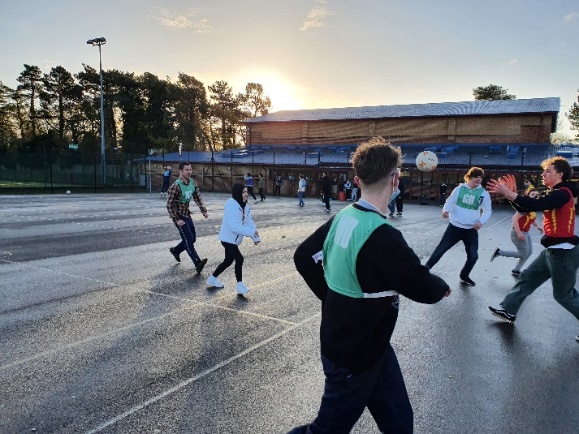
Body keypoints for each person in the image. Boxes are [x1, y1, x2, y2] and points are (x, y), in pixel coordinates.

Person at [288, 136, 451, 434]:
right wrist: (442, 287)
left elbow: (303, 256)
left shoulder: (343, 217)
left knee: (400, 422)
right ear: (395, 179)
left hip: (374, 347)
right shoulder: (383, 236)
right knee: (326, 430)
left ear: (357, 180)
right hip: (352, 355)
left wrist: (330, 298)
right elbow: (420, 285)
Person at [486, 157, 579, 342]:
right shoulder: (555, 192)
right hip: (552, 250)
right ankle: (509, 311)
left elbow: (533, 205)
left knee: (564, 295)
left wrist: (509, 193)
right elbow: (526, 208)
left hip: (564, 252)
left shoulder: (563, 193)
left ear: (560, 174)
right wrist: (510, 194)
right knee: (527, 277)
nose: (543, 174)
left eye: (548, 171)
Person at [425, 166, 492, 286]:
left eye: (480, 177)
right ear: (469, 177)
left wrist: (481, 222)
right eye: (476, 176)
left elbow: (487, 211)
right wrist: (446, 210)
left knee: (473, 256)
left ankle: (464, 275)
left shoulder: (484, 193)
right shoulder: (459, 189)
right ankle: (423, 272)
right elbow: (450, 202)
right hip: (454, 228)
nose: (478, 179)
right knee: (440, 250)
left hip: (470, 230)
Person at [206, 184, 260, 295]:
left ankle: (212, 278)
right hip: (227, 239)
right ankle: (240, 286)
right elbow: (234, 226)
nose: (246, 194)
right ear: (237, 194)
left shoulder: (245, 206)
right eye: (243, 192)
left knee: (228, 261)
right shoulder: (232, 206)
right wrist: (250, 233)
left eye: (246, 191)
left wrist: (255, 237)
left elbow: (249, 222)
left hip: (234, 240)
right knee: (239, 259)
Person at [490, 185, 543, 276]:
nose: (535, 196)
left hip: (526, 233)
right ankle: (499, 252)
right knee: (524, 254)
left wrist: (537, 226)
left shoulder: (532, 208)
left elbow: (532, 219)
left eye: (537, 195)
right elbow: (514, 219)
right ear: (528, 195)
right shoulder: (524, 208)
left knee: (529, 253)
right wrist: (518, 233)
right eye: (533, 194)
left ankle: (516, 270)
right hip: (518, 233)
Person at [166, 162, 208, 274]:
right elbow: (169, 205)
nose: (189, 172)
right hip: (178, 216)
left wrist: (203, 210)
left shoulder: (192, 183)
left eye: (190, 170)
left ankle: (176, 250)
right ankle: (197, 262)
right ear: (180, 171)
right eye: (187, 170)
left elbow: (197, 197)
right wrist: (176, 220)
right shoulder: (176, 186)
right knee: (188, 239)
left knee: (192, 238)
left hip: (186, 214)